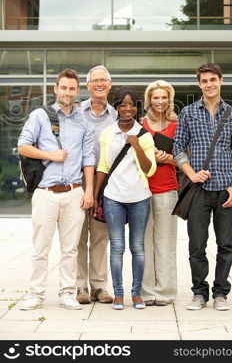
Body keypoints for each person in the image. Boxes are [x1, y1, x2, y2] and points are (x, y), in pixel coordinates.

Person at [18, 68, 95, 310]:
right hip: (46, 192)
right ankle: (36, 294)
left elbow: (89, 159)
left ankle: (67, 293)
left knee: (70, 249)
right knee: (41, 247)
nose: (68, 92)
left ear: (77, 90)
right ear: (55, 89)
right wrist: (50, 154)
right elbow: (23, 146)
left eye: (72, 89)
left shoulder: (84, 120)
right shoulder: (40, 116)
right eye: (64, 88)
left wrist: (89, 190)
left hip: (74, 192)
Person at [173, 63, 232, 311]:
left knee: (226, 244)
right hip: (199, 191)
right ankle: (199, 293)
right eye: (204, 81)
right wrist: (191, 173)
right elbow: (178, 149)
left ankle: (221, 293)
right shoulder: (189, 112)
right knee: (197, 244)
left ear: (221, 81)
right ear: (199, 84)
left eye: (213, 79)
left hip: (226, 188)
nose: (209, 84)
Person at [93, 87, 156, 310]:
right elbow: (103, 166)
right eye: (122, 104)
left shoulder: (144, 134)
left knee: (137, 247)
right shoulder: (107, 133)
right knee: (117, 247)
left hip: (139, 197)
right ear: (116, 107)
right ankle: (118, 294)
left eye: (131, 104)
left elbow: (150, 170)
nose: (127, 108)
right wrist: (96, 196)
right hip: (113, 197)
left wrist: (137, 145)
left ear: (137, 107)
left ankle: (136, 294)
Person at [76, 65, 117, 305]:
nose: (99, 84)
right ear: (88, 85)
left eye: (103, 80)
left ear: (109, 84)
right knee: (78, 237)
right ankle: (81, 285)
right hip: (78, 181)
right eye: (94, 81)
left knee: (101, 236)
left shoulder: (116, 115)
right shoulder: (75, 112)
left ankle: (99, 286)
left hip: (106, 183)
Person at [141, 80, 178, 306]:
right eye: (156, 97)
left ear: (169, 99)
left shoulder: (177, 124)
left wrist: (169, 158)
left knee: (165, 243)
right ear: (149, 99)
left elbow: (187, 158)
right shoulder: (140, 124)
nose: (160, 102)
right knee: (143, 243)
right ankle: (146, 292)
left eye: (164, 97)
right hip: (142, 191)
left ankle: (164, 292)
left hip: (167, 189)